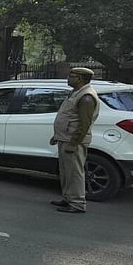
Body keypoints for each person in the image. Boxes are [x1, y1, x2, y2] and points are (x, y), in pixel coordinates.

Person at [49, 67, 100, 214]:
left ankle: (77, 203)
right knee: (66, 172)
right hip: (65, 137)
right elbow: (69, 116)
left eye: (71, 76)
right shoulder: (76, 93)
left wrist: (73, 143)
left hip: (73, 141)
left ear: (80, 79)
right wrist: (57, 135)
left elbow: (84, 124)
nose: (68, 78)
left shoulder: (86, 97)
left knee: (75, 172)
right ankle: (68, 198)